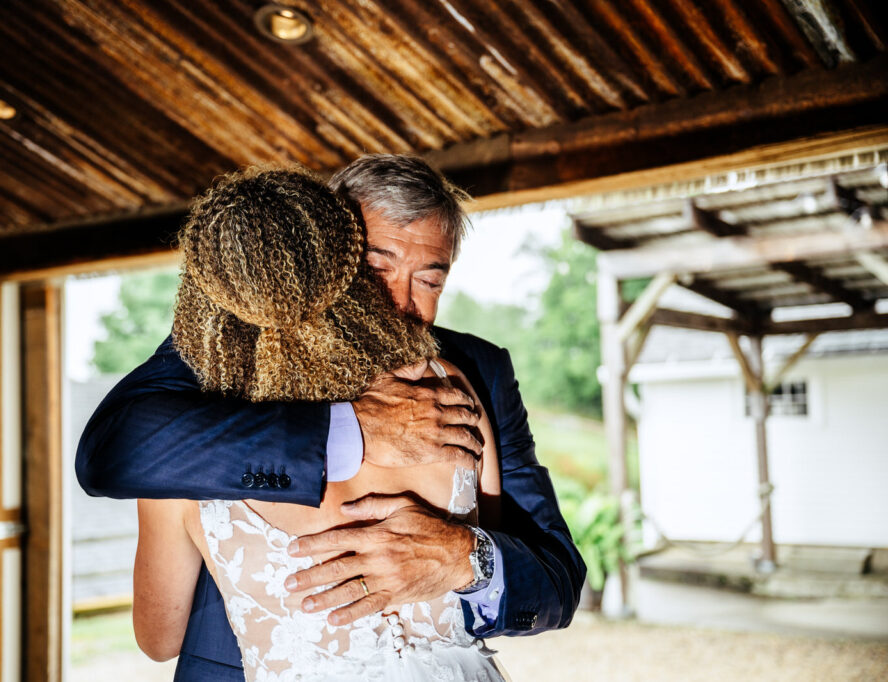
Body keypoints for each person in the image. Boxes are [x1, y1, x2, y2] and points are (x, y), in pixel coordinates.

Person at [76, 154, 585, 680]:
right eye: (376, 268)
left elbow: (557, 579)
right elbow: (113, 447)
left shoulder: (475, 376)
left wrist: (466, 558)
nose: (400, 304)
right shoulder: (218, 358)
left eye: (429, 281)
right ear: (320, 253)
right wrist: (351, 432)